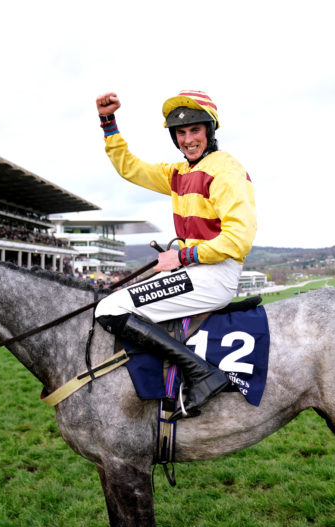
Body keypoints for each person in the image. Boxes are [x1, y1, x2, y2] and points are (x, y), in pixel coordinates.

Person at [93, 90, 257, 420]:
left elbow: (238, 239)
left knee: (109, 307)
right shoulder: (178, 172)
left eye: (195, 130)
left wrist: (182, 257)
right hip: (195, 269)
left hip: (214, 274)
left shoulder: (224, 171)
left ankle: (202, 374)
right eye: (180, 133)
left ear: (210, 131)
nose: (188, 139)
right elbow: (130, 169)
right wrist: (109, 124)